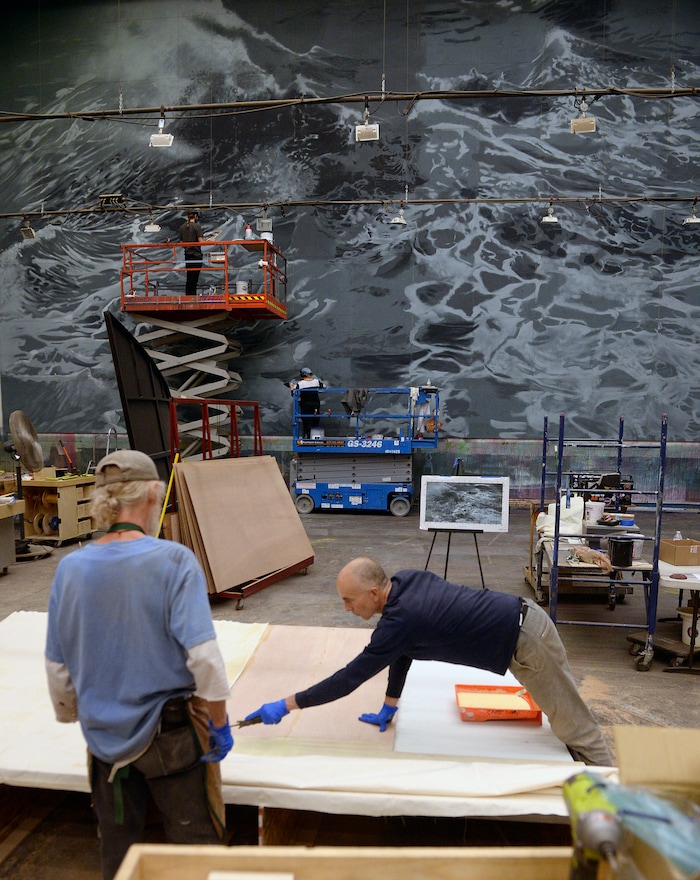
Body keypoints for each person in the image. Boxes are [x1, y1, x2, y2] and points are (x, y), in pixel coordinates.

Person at [45, 449, 234, 880]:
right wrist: (219, 723)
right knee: (195, 851)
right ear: (152, 495)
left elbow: (57, 667)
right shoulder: (174, 561)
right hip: (169, 738)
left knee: (119, 855)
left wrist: (78, 715)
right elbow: (204, 658)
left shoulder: (70, 568)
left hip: (103, 741)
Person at [244, 557, 613, 766]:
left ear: (373, 593)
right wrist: (390, 704)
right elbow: (403, 652)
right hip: (522, 626)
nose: (346, 608)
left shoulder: (400, 621)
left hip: (527, 641)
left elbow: (348, 679)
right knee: (565, 713)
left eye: (349, 600)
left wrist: (287, 704)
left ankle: (617, 807)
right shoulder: (404, 582)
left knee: (574, 726)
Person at [286, 366, 324, 438]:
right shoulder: (317, 382)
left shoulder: (300, 384)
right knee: (316, 420)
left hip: (305, 405)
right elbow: (323, 387)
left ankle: (308, 438)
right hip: (316, 404)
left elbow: (294, 394)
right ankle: (316, 438)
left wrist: (291, 388)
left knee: (307, 421)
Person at [178, 210, 206, 296]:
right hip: (196, 255)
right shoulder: (196, 226)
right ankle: (192, 296)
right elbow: (201, 241)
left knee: (189, 277)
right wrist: (212, 241)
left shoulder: (182, 227)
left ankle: (188, 296)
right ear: (195, 216)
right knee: (194, 278)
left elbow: (181, 243)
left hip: (187, 255)